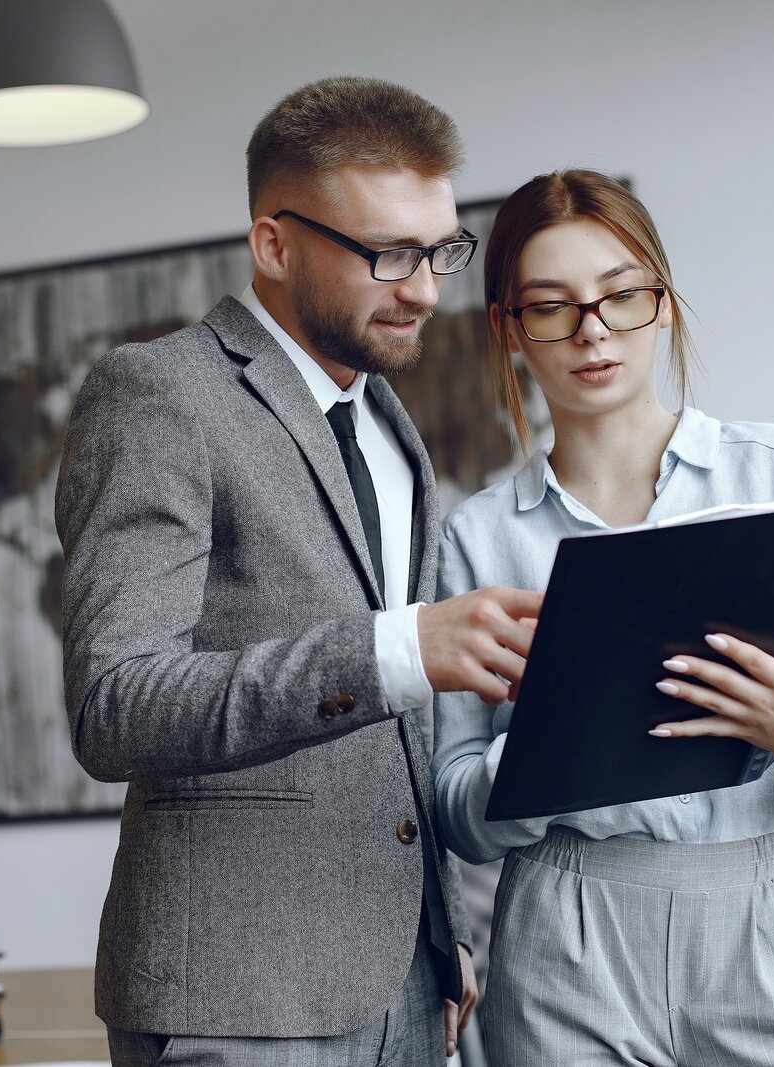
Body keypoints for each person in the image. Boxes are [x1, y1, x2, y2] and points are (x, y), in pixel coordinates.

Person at [55, 76, 542, 1066]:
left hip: (404, 985)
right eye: (388, 254)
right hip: (232, 996)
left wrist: (442, 944)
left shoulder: (390, 428)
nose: (423, 289)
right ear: (273, 244)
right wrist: (400, 647)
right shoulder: (159, 395)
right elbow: (114, 703)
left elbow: (397, 739)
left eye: (441, 250)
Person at [432, 169, 774, 1066]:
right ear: (508, 329)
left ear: (661, 301)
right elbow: (457, 810)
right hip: (568, 935)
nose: (593, 331)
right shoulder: (479, 537)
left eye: (621, 296)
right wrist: (546, 748)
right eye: (552, 307)